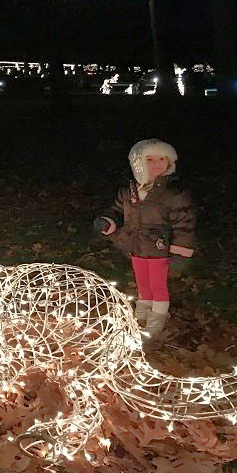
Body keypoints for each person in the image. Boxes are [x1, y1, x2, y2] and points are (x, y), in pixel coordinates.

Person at [94, 139, 195, 340]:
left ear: (170, 162)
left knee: (158, 285)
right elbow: (117, 211)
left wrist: (180, 250)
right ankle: (141, 316)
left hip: (159, 249)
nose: (157, 163)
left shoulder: (173, 194)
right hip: (136, 246)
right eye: (150, 159)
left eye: (161, 159)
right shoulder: (129, 190)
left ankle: (155, 323)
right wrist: (108, 222)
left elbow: (184, 223)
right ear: (138, 162)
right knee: (142, 283)